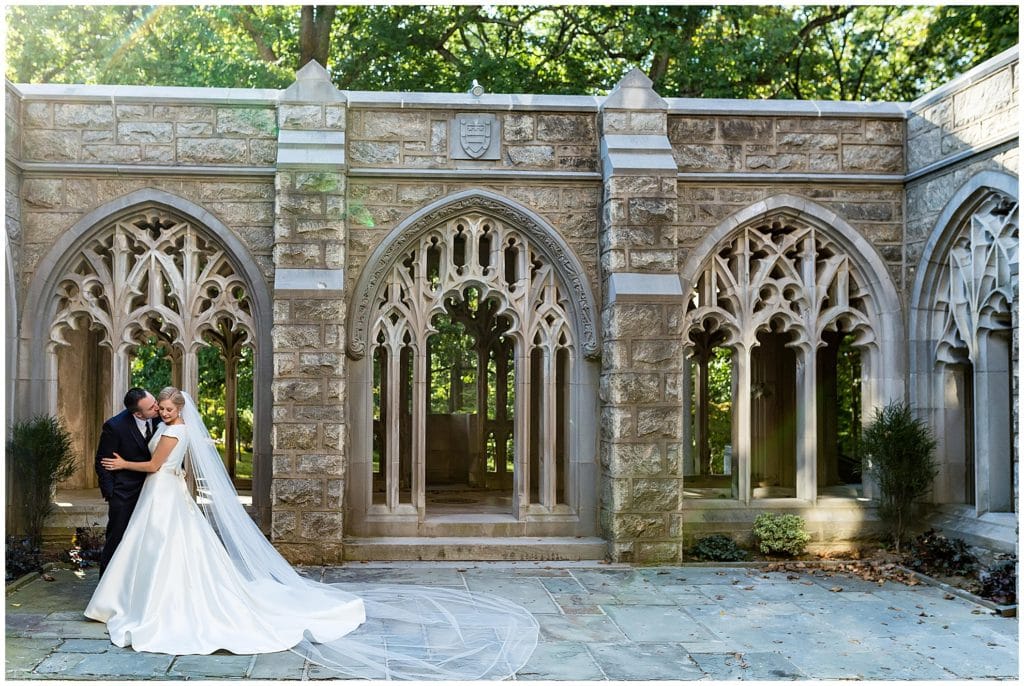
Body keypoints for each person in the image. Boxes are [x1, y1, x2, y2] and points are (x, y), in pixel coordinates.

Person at [85, 386, 537, 679]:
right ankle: (130, 599)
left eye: (165, 407)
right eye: (158, 408)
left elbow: (157, 465)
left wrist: (126, 464)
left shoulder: (174, 431)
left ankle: (149, 605)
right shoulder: (170, 428)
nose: (161, 412)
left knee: (164, 551)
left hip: (159, 495)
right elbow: (175, 470)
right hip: (161, 498)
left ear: (178, 409)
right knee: (153, 550)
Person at [95, 387, 161, 576]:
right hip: (124, 493)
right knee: (117, 538)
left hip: (156, 489)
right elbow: (103, 462)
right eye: (151, 407)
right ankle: (105, 587)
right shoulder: (115, 426)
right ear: (138, 414)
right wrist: (111, 494)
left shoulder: (160, 418)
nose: (157, 407)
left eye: (154, 401)